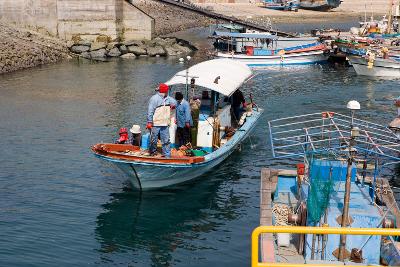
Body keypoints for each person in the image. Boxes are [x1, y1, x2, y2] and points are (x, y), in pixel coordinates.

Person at [147, 83, 177, 157]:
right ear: (166, 91)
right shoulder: (154, 98)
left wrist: (173, 106)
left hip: (165, 123)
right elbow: (150, 111)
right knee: (153, 139)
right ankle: (153, 152)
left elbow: (175, 103)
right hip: (155, 123)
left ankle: (167, 155)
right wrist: (149, 122)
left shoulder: (168, 99)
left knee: (166, 140)